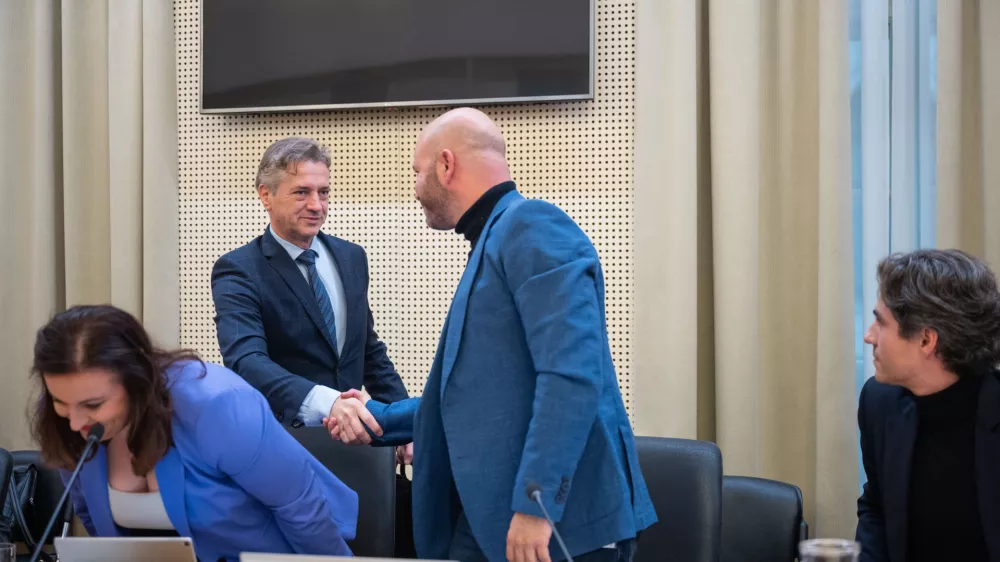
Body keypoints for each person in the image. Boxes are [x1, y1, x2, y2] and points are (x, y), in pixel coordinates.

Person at [328, 108, 656, 562]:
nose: (416, 187)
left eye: (417, 173)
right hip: (493, 520)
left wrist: (536, 504)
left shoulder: (532, 225)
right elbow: (476, 399)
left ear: (446, 165)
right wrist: (379, 416)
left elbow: (571, 377)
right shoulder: (495, 239)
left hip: (558, 528)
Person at [30, 305, 358, 562]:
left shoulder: (216, 405)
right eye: (60, 401)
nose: (74, 422)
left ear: (137, 380)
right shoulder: (69, 414)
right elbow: (92, 518)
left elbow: (300, 508)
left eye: (93, 404)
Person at [210, 137, 411, 461]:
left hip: (358, 446)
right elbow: (246, 361)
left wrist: (404, 423)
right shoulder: (238, 269)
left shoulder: (352, 257)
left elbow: (367, 349)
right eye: (301, 192)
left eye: (324, 192)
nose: (317, 205)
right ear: (266, 195)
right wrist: (328, 402)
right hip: (281, 448)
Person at [856, 249, 1000, 562]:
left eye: (880, 323)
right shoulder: (878, 403)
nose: (869, 337)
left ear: (926, 340)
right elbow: (876, 508)